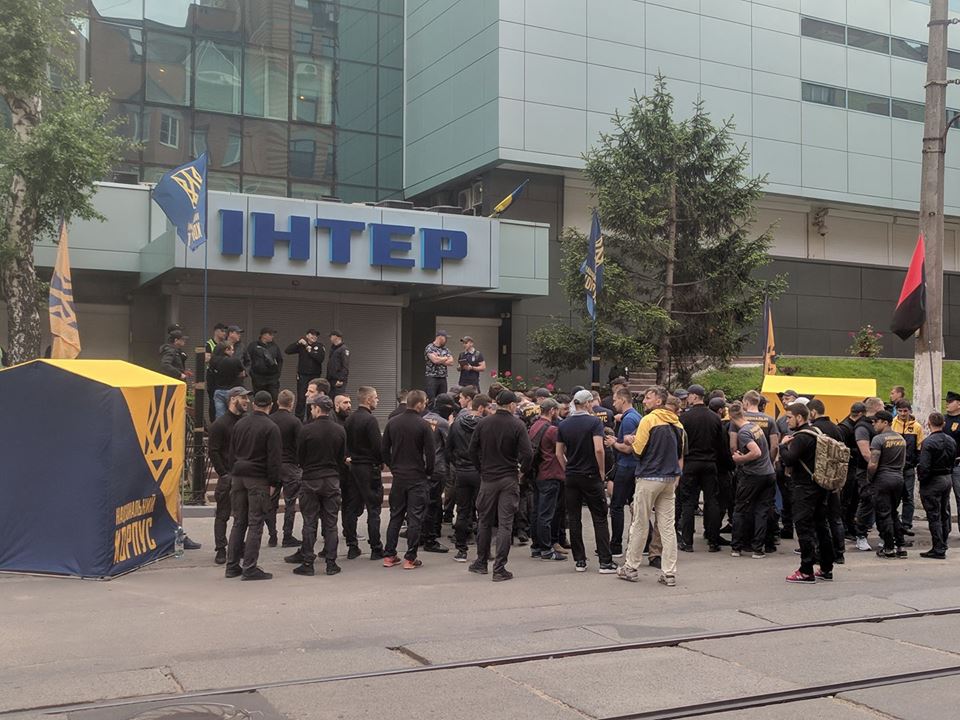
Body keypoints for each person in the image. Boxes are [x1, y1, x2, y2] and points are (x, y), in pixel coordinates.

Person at [617, 386, 685, 587]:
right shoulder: (677, 423)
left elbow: (638, 451)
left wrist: (632, 440)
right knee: (667, 526)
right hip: (669, 478)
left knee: (640, 522)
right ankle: (669, 572)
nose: (644, 401)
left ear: (658, 401)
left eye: (648, 398)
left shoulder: (649, 420)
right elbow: (680, 452)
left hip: (649, 476)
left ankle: (631, 567)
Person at [467, 390, 533, 581]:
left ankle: (481, 561)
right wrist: (522, 471)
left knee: (484, 521)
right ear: (511, 405)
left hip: (488, 477)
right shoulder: (517, 425)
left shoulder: (483, 423)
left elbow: (472, 450)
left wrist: (481, 468)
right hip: (508, 477)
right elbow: (528, 453)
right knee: (505, 523)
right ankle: (499, 568)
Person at [556, 390, 616, 574]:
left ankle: (580, 560)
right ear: (588, 403)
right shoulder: (594, 422)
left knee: (574, 518)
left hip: (572, 475)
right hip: (590, 474)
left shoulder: (564, 424)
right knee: (599, 517)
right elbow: (599, 449)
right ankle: (605, 561)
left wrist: (567, 468)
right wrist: (601, 471)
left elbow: (559, 452)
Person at [224, 391, 282, 581]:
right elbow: (274, 459)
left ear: (254, 404)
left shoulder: (240, 424)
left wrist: (233, 471)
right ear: (270, 405)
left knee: (238, 521)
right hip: (258, 478)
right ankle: (249, 567)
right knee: (255, 523)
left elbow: (231, 452)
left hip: (238, 475)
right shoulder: (271, 427)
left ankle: (232, 565)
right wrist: (273, 483)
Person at [285, 395, 345, 576]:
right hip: (331, 478)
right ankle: (331, 563)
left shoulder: (306, 430)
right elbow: (341, 456)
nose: (311, 410)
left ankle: (307, 562)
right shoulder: (339, 430)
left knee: (309, 522)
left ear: (318, 409)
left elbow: (300, 457)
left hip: (311, 479)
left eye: (312, 408)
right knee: (331, 523)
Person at [780, 402, 835, 584]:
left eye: (789, 417)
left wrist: (782, 446)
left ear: (799, 417)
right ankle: (826, 568)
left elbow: (789, 460)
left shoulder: (801, 437)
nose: (787, 421)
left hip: (804, 488)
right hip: (819, 485)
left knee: (804, 527)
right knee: (821, 526)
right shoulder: (816, 432)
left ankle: (806, 570)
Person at [381, 390, 435, 569]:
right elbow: (430, 453)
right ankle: (410, 558)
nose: (425, 405)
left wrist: (393, 466)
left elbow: (384, 449)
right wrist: (428, 472)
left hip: (399, 476)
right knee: (415, 518)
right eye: (424, 402)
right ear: (419, 404)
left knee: (395, 516)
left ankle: (389, 554)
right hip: (417, 476)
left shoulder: (393, 422)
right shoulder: (424, 425)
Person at [678, 384, 727, 552]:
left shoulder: (685, 418)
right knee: (711, 501)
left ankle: (687, 542)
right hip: (709, 463)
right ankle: (713, 541)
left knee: (688, 502)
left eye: (689, 396)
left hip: (690, 463)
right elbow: (721, 444)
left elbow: (680, 443)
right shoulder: (715, 418)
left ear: (693, 396)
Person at [728, 401, 776, 559]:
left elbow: (756, 452)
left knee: (740, 509)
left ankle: (736, 547)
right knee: (761, 511)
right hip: (768, 473)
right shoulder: (755, 427)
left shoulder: (743, 432)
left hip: (753, 475)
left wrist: (740, 459)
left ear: (731, 417)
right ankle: (758, 549)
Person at [208, 386, 250, 564]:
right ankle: (220, 548)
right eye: (243, 398)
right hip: (228, 475)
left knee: (242, 515)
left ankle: (238, 546)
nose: (247, 401)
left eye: (247, 398)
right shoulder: (220, 424)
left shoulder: (247, 421)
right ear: (233, 399)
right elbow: (213, 450)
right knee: (223, 514)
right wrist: (223, 473)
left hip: (244, 475)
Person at [449, 394, 492, 561]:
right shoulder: (486, 425)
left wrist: (457, 464)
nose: (490, 411)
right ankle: (484, 550)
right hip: (480, 472)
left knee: (462, 511)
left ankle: (461, 549)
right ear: (480, 408)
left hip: (461, 471)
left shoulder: (456, 424)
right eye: (488, 407)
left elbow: (448, 449)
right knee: (484, 512)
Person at [344, 386, 385, 560]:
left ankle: (352, 546)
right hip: (369, 468)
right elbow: (378, 446)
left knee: (352, 508)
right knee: (373, 509)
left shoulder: (349, 419)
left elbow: (345, 442)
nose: (377, 400)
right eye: (375, 397)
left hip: (354, 468)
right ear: (368, 399)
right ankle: (376, 547)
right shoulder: (370, 420)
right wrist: (381, 461)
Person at [527, 397, 567, 562]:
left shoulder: (534, 426)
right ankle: (546, 549)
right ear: (552, 411)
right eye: (556, 410)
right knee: (546, 513)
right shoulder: (552, 430)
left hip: (537, 473)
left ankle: (536, 546)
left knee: (537, 511)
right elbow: (561, 451)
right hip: (551, 473)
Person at [807, 399, 845, 564]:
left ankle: (819, 553)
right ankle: (840, 553)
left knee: (818, 519)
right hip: (834, 478)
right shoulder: (836, 429)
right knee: (835, 518)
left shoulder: (814, 430)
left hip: (819, 478)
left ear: (813, 412)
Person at [605, 388, 641, 558]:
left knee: (617, 506)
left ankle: (616, 545)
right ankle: (645, 542)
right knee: (636, 505)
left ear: (623, 400)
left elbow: (628, 448)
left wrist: (613, 443)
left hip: (626, 466)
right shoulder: (635, 416)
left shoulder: (629, 420)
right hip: (634, 466)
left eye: (615, 400)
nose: (613, 404)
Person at [868, 410, 908, 559]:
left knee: (884, 514)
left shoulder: (878, 439)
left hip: (882, 479)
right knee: (893, 513)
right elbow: (903, 462)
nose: (873, 424)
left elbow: (873, 464)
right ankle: (901, 546)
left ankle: (889, 548)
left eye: (876, 421)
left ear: (885, 422)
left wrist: (869, 478)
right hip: (898, 478)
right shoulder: (901, 439)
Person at [916, 412, 955, 559]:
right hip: (946, 477)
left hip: (933, 480)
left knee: (934, 515)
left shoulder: (928, 442)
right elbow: (953, 460)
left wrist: (922, 479)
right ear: (943, 424)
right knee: (944, 512)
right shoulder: (950, 440)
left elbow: (924, 466)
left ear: (928, 424)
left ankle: (938, 547)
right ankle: (943, 543)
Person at [421, 393, 457, 553]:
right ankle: (431, 536)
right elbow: (449, 446)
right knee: (434, 503)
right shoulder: (443, 423)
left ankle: (422, 533)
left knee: (423, 502)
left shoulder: (423, 419)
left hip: (422, 467)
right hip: (438, 467)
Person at [269, 389, 302, 549]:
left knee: (271, 502)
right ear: (292, 403)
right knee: (290, 502)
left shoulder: (270, 420)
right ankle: (287, 536)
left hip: (273, 466)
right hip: (290, 465)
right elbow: (300, 444)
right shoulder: (295, 422)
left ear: (277, 402)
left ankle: (272, 535)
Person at [854, 397, 884, 551]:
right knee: (867, 501)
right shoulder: (862, 427)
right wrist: (876, 466)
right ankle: (861, 536)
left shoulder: (877, 425)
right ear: (877, 408)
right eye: (882, 407)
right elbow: (866, 453)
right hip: (865, 471)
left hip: (879, 470)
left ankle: (884, 535)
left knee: (881, 503)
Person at [891, 399, 923, 538]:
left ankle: (906, 524)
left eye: (905, 411)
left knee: (908, 497)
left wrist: (915, 462)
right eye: (900, 411)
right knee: (894, 496)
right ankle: (894, 522)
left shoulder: (917, 427)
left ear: (910, 411)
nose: (903, 414)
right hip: (894, 467)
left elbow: (919, 447)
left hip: (908, 467)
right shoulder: (892, 424)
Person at [285, 329, 325, 420]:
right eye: (312, 334)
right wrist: (297, 343)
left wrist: (308, 348)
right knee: (301, 398)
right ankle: (298, 420)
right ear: (307, 336)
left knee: (312, 398)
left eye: (316, 335)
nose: (314, 336)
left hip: (314, 377)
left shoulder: (319, 346)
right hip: (303, 376)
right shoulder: (301, 346)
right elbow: (287, 351)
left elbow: (320, 359)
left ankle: (311, 420)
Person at [247, 327, 283, 406]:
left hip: (272, 378)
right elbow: (247, 359)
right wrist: (252, 373)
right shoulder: (253, 346)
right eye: (270, 334)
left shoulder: (274, 346)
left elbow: (280, 360)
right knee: (259, 399)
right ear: (264, 335)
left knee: (274, 398)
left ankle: (273, 414)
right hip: (258, 378)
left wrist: (278, 373)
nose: (272, 336)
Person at [210, 342, 246, 419]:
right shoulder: (235, 360)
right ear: (226, 350)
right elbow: (242, 374)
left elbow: (212, 373)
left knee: (220, 416)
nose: (233, 352)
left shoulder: (213, 361)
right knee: (236, 414)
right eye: (232, 350)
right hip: (234, 391)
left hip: (219, 391)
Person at [205, 323, 229, 421]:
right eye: (222, 331)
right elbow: (206, 359)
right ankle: (213, 422)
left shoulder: (226, 344)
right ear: (216, 331)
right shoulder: (209, 344)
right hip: (212, 375)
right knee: (213, 400)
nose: (224, 333)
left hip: (224, 375)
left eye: (225, 331)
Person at [424, 331, 455, 403]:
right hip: (432, 377)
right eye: (445, 338)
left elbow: (451, 362)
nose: (446, 340)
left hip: (443, 377)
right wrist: (445, 358)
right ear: (440, 337)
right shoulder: (430, 347)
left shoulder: (445, 349)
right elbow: (435, 360)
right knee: (431, 400)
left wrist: (439, 358)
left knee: (443, 399)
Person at [326, 330, 350, 395]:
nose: (330, 338)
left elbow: (345, 366)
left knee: (338, 397)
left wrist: (341, 379)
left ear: (336, 337)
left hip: (338, 380)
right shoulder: (333, 349)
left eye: (331, 336)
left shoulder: (343, 349)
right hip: (331, 380)